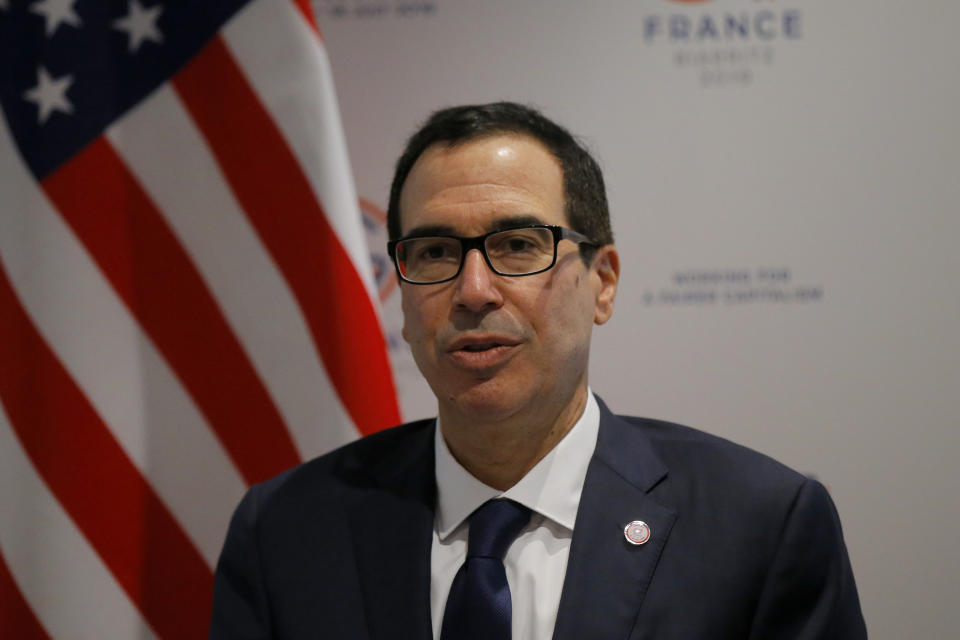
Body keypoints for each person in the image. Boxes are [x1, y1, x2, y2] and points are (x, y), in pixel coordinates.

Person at [210, 102, 867, 639]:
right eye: (436, 251)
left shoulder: (760, 525)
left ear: (602, 282)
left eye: (517, 246)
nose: (473, 291)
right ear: (402, 299)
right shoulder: (286, 531)